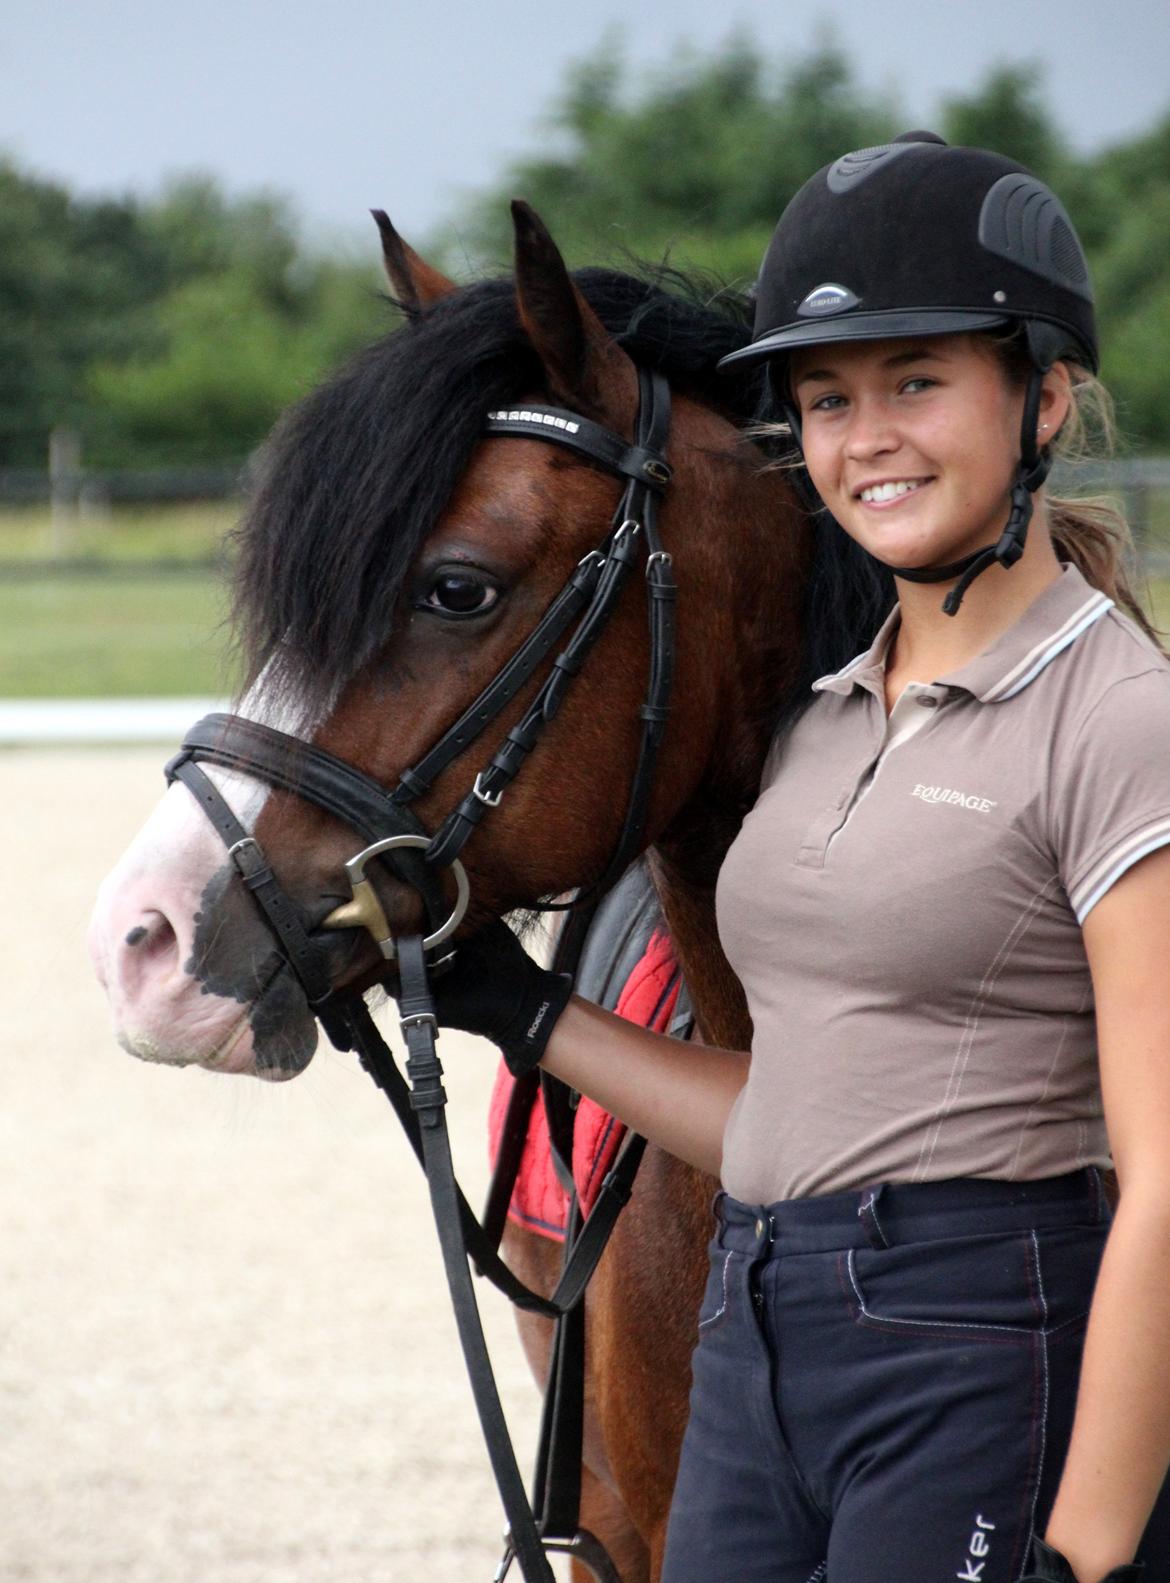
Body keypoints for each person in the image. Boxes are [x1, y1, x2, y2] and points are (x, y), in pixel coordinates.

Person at [432, 132, 1170, 1581]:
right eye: (827, 400)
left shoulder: (1118, 718)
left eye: (915, 383)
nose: (867, 436)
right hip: (757, 1326)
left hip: (982, 1343)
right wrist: (519, 1008)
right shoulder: (825, 724)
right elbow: (794, 1121)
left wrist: (1082, 1542)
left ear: (1041, 399)